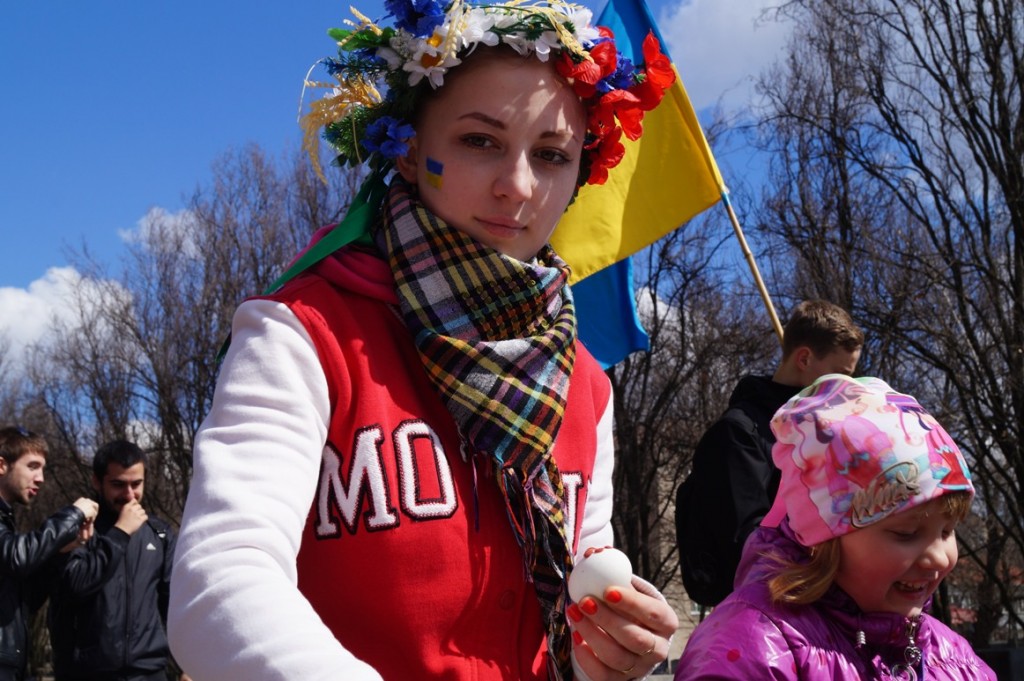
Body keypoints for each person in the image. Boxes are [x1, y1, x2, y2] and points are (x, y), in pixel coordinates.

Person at [167, 2, 679, 679]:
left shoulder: (587, 385)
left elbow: (572, 603)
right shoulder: (303, 334)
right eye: (479, 140)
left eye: (552, 155)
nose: (518, 186)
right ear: (408, 150)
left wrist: (607, 652)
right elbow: (217, 582)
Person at [675, 374, 995, 679]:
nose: (939, 558)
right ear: (823, 538)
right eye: (906, 534)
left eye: (947, 531)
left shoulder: (952, 656)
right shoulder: (755, 646)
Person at [675, 299, 864, 606]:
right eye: (839, 375)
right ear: (803, 358)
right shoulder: (739, 433)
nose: (844, 389)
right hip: (764, 615)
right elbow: (747, 546)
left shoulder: (824, 434)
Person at [47, 440, 182, 681]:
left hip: (150, 671)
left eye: (136, 484)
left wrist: (187, 663)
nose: (129, 495)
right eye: (118, 485)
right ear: (97, 482)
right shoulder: (77, 529)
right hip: (89, 672)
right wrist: (120, 533)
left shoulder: (160, 533)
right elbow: (73, 587)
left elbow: (173, 604)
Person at [0, 426, 98, 681]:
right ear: (1, 465)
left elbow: (26, 601)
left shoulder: (6, 522)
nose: (41, 478)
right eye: (32, 466)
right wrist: (73, 515)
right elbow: (17, 558)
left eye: (42, 468)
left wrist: (61, 551)